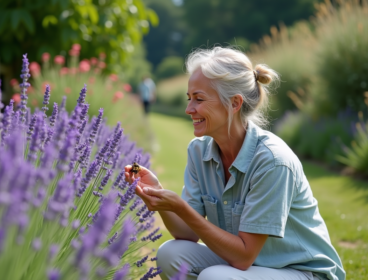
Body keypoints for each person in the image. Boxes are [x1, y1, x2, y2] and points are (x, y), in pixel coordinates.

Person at [125, 47, 345, 280]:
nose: (189, 109)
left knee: (216, 277)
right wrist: (160, 196)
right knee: (171, 254)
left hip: (301, 272)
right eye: (189, 99)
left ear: (234, 103)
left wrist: (181, 207)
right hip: (251, 266)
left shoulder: (273, 161)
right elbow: (187, 233)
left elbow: (242, 256)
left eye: (199, 99)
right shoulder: (198, 151)